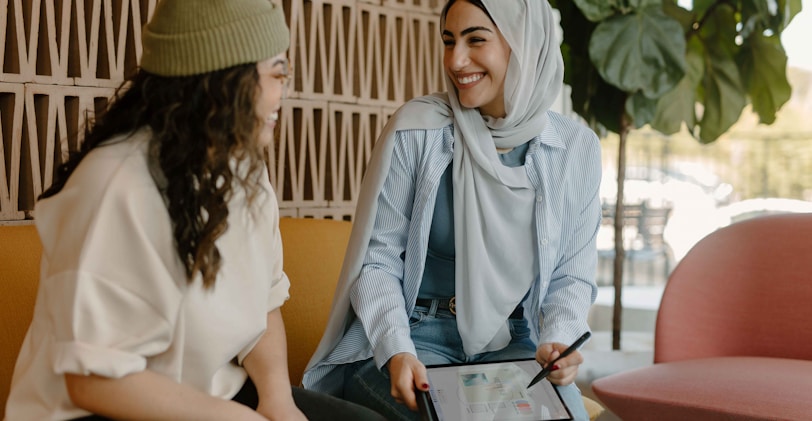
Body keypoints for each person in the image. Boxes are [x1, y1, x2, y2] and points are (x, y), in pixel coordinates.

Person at [3, 1, 387, 420]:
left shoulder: (243, 169)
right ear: (223, 80)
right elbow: (93, 379)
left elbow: (264, 306)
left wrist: (277, 398)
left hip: (210, 396)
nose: (283, 92)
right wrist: (238, 419)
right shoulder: (115, 184)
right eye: (277, 73)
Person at [302, 0, 601, 420]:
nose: (456, 61)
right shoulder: (418, 129)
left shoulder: (575, 149)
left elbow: (572, 274)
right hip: (415, 335)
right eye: (448, 41)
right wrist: (396, 351)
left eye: (476, 39)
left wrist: (558, 341)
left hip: (513, 339)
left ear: (524, 43)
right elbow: (378, 260)